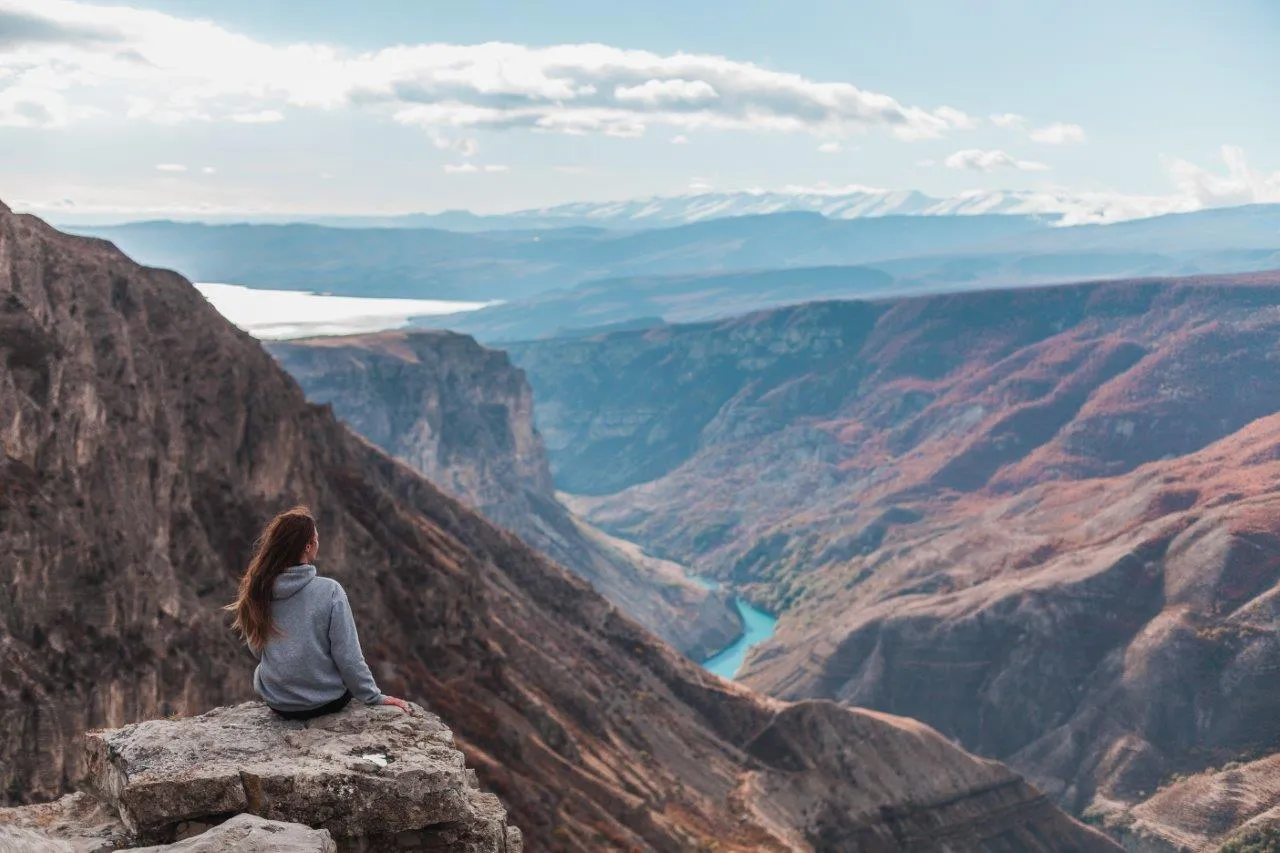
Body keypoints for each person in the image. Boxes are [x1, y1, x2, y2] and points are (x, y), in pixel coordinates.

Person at [225, 506, 412, 720]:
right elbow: (348, 656)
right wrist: (373, 696)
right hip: (325, 703)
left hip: (279, 702)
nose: (318, 542)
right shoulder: (330, 591)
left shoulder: (259, 589)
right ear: (308, 546)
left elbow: (258, 650)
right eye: (316, 538)